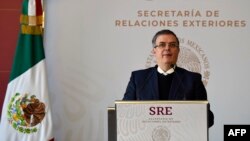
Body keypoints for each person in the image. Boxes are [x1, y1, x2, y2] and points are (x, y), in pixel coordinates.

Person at [122, 29, 214, 127]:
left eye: (172, 45)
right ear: (154, 51)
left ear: (178, 51)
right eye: (162, 45)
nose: (167, 48)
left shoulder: (193, 79)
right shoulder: (138, 78)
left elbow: (208, 119)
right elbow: (124, 113)